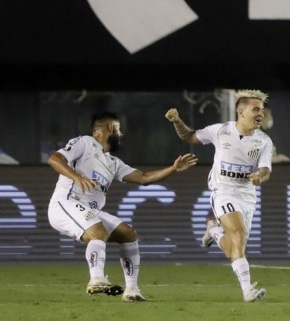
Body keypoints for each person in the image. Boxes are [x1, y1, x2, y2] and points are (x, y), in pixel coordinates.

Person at [47, 112, 198, 302]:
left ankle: (132, 291)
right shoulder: (84, 142)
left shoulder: (113, 162)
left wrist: (173, 168)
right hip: (65, 203)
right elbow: (54, 159)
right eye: (119, 129)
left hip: (89, 210)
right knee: (98, 231)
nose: (121, 134)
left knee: (127, 233)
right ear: (110, 128)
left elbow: (143, 178)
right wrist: (77, 177)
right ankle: (96, 279)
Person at [165, 89, 273, 303]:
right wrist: (177, 120)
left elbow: (266, 170)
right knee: (239, 234)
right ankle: (247, 291)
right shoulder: (220, 131)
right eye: (255, 109)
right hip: (223, 191)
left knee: (233, 249)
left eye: (261, 109)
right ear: (240, 111)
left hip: (247, 196)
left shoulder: (264, 141)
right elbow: (189, 136)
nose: (260, 113)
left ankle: (214, 231)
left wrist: (260, 176)